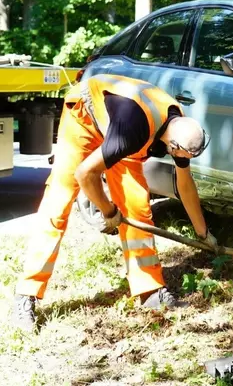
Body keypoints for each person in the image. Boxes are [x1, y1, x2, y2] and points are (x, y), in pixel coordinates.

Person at [11, 73, 217, 332]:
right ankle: (25, 295)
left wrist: (203, 233)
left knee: (138, 209)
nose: (181, 159)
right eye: (182, 156)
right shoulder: (132, 131)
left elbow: (185, 185)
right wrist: (109, 210)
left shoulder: (180, 125)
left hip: (118, 130)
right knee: (58, 204)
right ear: (174, 146)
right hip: (84, 117)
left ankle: (150, 289)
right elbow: (85, 174)